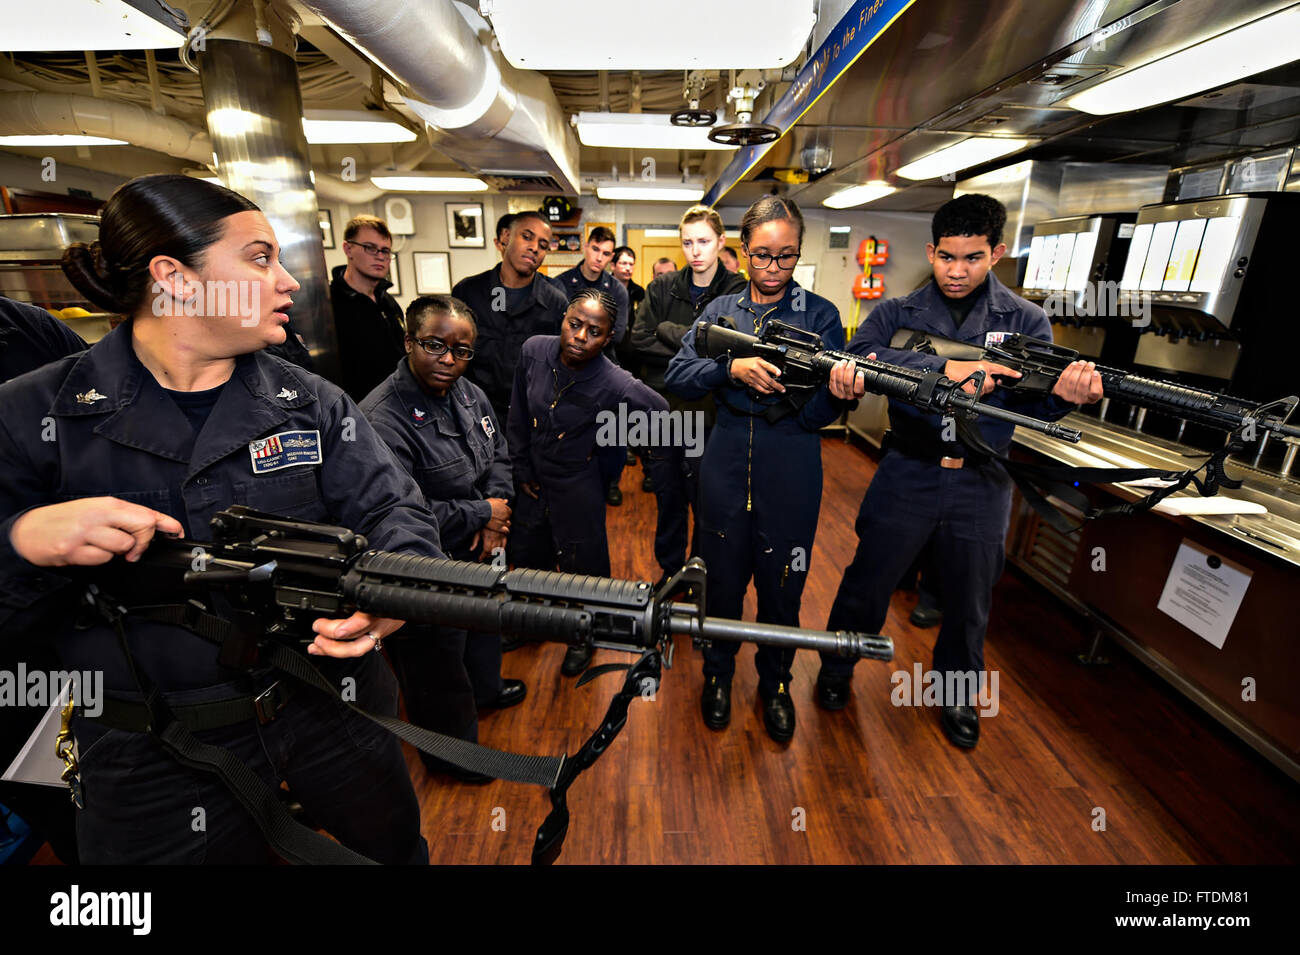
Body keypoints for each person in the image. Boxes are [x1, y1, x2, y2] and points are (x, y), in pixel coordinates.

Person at [0, 174, 441, 864]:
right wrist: (22, 538)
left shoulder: (311, 401)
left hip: (329, 706)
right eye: (260, 258)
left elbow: (393, 508)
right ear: (173, 277)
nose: (290, 280)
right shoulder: (33, 415)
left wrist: (393, 595)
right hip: (150, 744)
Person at [814, 194, 1102, 749]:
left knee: (971, 600)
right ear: (931, 251)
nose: (956, 270)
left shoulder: (1025, 321)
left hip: (981, 480)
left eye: (971, 258)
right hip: (908, 470)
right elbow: (864, 360)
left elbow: (1030, 407)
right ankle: (836, 669)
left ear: (995, 253)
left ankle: (956, 695)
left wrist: (1067, 397)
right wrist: (950, 367)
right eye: (947, 257)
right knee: (867, 582)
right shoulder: (898, 312)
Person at [665, 196, 861, 742]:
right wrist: (732, 368)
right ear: (742, 251)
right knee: (721, 581)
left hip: (791, 460)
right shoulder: (718, 312)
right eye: (762, 256)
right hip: (724, 457)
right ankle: (718, 676)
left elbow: (816, 417)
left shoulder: (820, 316)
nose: (773, 269)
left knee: (784, 584)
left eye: (787, 257)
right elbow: (677, 377)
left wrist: (840, 397)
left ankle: (775, 684)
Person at [359, 295, 526, 781]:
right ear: (409, 342)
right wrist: (481, 513)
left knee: (484, 625)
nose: (449, 360)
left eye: (462, 350)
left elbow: (498, 451)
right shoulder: (381, 419)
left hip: (482, 546)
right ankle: (452, 758)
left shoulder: (468, 393)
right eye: (435, 346)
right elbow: (400, 513)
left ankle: (487, 691)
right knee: (437, 668)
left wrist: (495, 518)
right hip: (430, 563)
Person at [507, 289, 678, 676]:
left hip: (577, 483)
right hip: (533, 479)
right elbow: (517, 411)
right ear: (563, 320)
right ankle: (530, 626)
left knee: (584, 567)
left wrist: (611, 460)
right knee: (529, 555)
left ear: (609, 337)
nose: (581, 336)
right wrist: (520, 466)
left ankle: (583, 636)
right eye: (574, 324)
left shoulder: (616, 382)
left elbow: (661, 412)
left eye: (594, 331)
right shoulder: (534, 350)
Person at [633, 205, 746, 574]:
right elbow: (636, 339)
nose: (695, 250)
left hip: (715, 417)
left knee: (708, 503)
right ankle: (670, 575)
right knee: (669, 499)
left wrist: (668, 331)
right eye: (687, 242)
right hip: (666, 412)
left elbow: (736, 351)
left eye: (703, 241)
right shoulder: (663, 286)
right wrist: (700, 347)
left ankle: (700, 574)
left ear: (720, 242)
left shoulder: (738, 291)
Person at [452, 210, 569, 426]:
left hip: (528, 419)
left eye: (543, 245)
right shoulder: (468, 292)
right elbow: (453, 357)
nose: (534, 247)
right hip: (473, 415)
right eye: (527, 236)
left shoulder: (556, 303)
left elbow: (559, 369)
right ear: (505, 237)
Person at [329, 214, 406, 401]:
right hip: (353, 410)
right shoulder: (330, 305)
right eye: (370, 248)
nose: (380, 257)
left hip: (395, 406)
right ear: (348, 249)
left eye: (385, 251)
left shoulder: (389, 303)